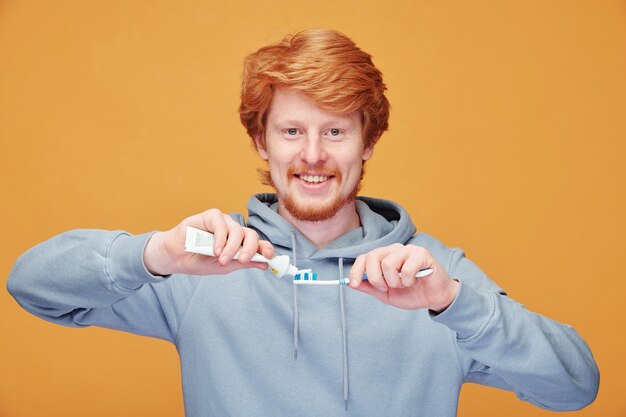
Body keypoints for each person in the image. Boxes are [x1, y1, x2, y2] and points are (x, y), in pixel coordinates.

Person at [7, 29, 599, 417]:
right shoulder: (201, 266)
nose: (313, 155)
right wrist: (154, 255)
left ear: (368, 143)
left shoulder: (433, 278)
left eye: (336, 131)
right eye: (292, 131)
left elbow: (576, 386)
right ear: (260, 142)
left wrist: (453, 302)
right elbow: (30, 285)